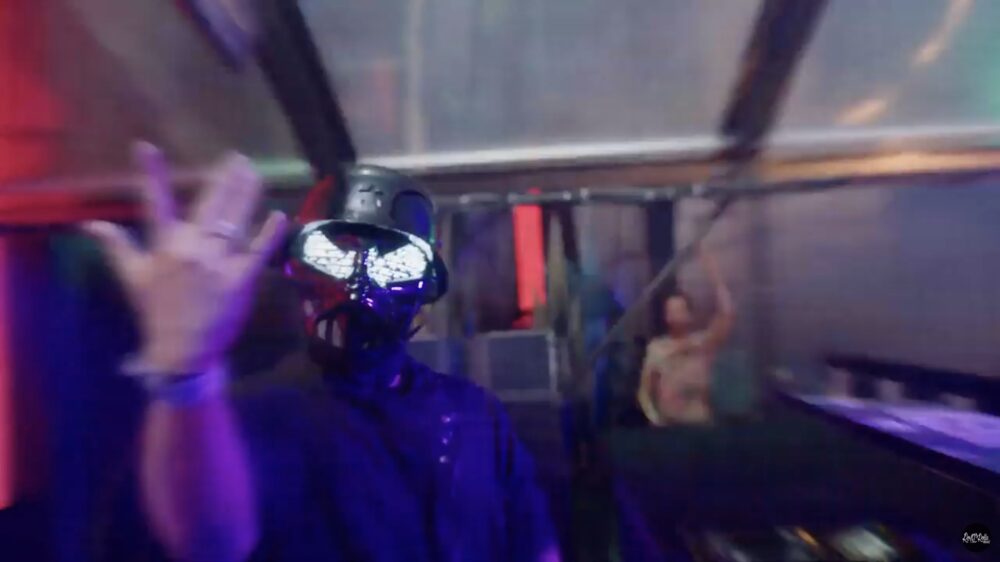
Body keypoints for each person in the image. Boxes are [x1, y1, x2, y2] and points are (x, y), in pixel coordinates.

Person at [84, 143, 559, 562]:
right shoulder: (254, 417)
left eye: (393, 262)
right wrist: (188, 372)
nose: (360, 282)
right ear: (296, 267)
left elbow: (535, 547)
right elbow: (210, 539)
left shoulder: (473, 414)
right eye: (333, 255)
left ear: (425, 285)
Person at [636, 248, 734, 426]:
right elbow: (644, 393)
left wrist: (713, 273)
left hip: (700, 427)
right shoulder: (657, 348)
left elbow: (727, 314)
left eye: (679, 310)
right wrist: (655, 421)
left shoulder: (703, 343)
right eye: (670, 311)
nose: (674, 315)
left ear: (690, 315)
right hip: (669, 428)